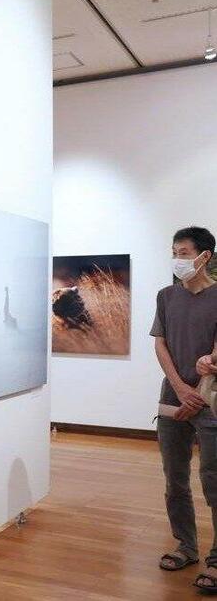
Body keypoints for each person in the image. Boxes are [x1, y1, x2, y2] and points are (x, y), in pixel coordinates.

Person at [152, 226, 217, 591]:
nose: (177, 258)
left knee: (213, 480)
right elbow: (160, 344)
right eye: (174, 251)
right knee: (174, 479)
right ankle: (186, 546)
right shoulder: (166, 296)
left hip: (211, 400)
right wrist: (180, 387)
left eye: (182, 251)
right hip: (173, 398)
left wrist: (200, 385)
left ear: (203, 256)